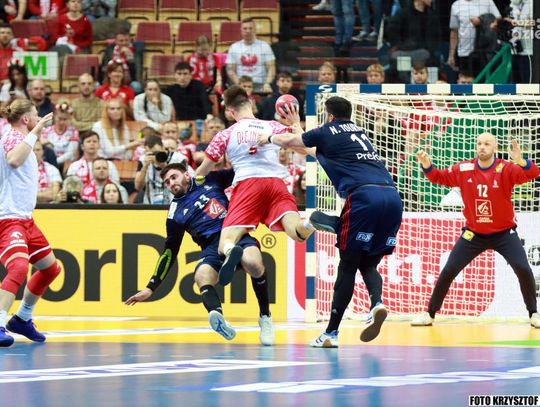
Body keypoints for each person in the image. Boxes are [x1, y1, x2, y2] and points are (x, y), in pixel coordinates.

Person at [260, 96, 403, 346]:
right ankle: (377, 303)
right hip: (392, 198)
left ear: (329, 116)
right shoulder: (358, 133)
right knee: (368, 263)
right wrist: (296, 124)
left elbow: (292, 142)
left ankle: (331, 333)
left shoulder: (327, 130)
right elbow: (311, 150)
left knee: (347, 265)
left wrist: (268, 138)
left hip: (363, 198)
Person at [125, 162, 275, 345]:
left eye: (174, 177)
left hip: (235, 233)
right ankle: (218, 318)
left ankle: (265, 316)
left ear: (187, 175)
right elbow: (169, 252)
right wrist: (151, 287)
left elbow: (241, 170)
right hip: (211, 247)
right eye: (167, 182)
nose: (171, 183)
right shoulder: (174, 214)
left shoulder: (210, 180)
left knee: (254, 263)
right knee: (201, 276)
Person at [411, 133, 540, 328]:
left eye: (487, 144)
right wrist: (427, 164)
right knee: (449, 269)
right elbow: (437, 177)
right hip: (474, 234)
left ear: (495, 148)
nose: (482, 147)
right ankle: (429, 313)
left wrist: (521, 161)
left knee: (523, 268)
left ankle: (533, 313)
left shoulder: (505, 168)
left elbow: (534, 173)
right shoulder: (464, 168)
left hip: (504, 233)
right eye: (479, 143)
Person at [196, 85, 315, 286]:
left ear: (230, 111)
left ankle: (232, 250)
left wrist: (197, 179)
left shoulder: (225, 134)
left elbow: (203, 170)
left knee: (225, 242)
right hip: (276, 184)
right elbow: (304, 149)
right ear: (251, 103)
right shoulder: (273, 127)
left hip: (248, 185)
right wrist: (295, 123)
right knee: (297, 233)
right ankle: (310, 223)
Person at [0, 100, 59, 347]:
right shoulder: (13, 136)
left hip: (26, 219)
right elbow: (14, 160)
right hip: (8, 219)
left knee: (50, 268)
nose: (38, 118)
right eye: (35, 115)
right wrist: (36, 131)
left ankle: (22, 318)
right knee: (18, 268)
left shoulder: (23, 139)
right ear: (26, 119)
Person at [225, 18, 275, 93]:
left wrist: (267, 84)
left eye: (250, 28)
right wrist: (239, 83)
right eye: (245, 28)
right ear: (241, 31)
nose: (248, 31)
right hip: (241, 84)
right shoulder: (234, 47)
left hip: (260, 85)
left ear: (255, 30)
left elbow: (271, 68)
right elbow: (230, 70)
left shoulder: (265, 46)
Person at [40, 101, 79, 168]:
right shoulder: (47, 131)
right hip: (50, 160)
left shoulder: (73, 131)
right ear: (54, 117)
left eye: (65, 119)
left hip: (66, 162)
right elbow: (46, 150)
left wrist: (55, 162)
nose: (62, 122)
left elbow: (71, 153)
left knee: (68, 162)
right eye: (60, 119)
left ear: (69, 119)